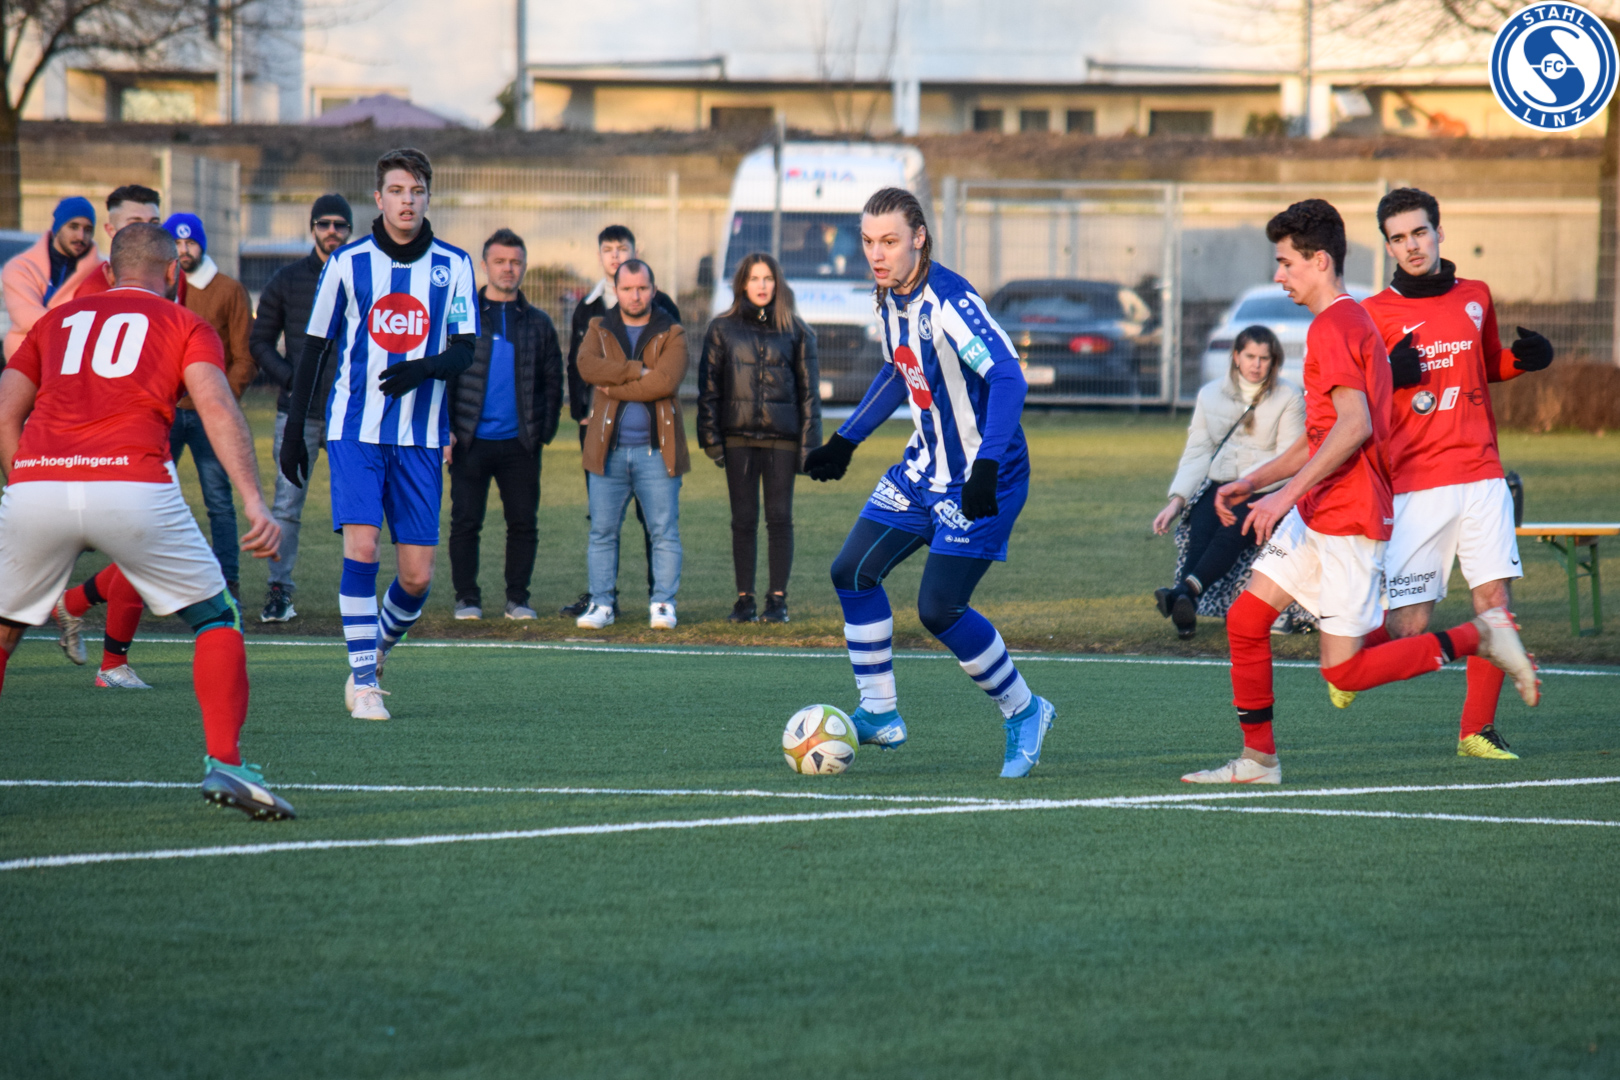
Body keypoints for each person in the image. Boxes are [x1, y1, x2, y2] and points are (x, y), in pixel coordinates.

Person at [1181, 199, 1539, 787]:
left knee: (1345, 673)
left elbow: (1354, 427)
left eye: (1286, 263)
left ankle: (1481, 634)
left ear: (1319, 261)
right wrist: (1254, 481)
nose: (1279, 275)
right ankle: (1259, 761)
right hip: (1319, 508)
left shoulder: (1336, 326)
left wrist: (1280, 497)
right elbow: (1324, 433)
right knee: (1246, 619)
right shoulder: (1353, 319)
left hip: (1347, 517)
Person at [0, 222, 294, 820]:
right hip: (131, 485)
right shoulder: (186, 323)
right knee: (216, 617)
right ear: (173, 272)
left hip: (38, 482)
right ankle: (227, 765)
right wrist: (254, 502)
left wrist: (23, 483)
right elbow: (217, 406)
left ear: (108, 271)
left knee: (4, 631)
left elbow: (6, 410)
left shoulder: (55, 322)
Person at [800, 187, 1056, 779]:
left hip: (982, 479)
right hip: (922, 471)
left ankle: (1025, 710)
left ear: (919, 238)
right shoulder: (890, 297)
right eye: (868, 241)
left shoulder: (949, 301)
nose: (877, 254)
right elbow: (900, 370)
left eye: (889, 241)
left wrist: (987, 464)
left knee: (939, 609)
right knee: (851, 571)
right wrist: (846, 440)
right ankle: (880, 711)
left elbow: (1009, 378)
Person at [1355, 187, 1555, 759]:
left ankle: (1476, 730)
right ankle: (1345, 662)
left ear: (1439, 232)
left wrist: (1523, 361)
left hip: (1482, 473)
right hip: (1417, 484)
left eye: (1420, 232)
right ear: (1389, 247)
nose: (1412, 246)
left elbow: (1485, 362)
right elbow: (1351, 401)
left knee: (1494, 604)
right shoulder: (1373, 313)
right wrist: (1387, 373)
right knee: (1408, 628)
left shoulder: (1476, 295)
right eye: (1398, 238)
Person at [280, 147, 478, 722]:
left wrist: (425, 368)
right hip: (354, 429)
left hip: (421, 437)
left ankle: (376, 649)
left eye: (416, 191)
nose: (406, 201)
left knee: (416, 578)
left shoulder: (454, 264)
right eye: (396, 190)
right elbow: (315, 349)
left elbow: (466, 349)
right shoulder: (348, 262)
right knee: (363, 546)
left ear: (428, 197)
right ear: (378, 198)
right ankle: (364, 682)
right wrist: (296, 431)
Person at [49, 185, 181, 689]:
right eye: (134, 223)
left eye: (154, 222)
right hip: (105, 445)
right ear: (110, 232)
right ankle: (111, 664)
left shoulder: (163, 278)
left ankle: (75, 606)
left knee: (148, 554)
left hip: (149, 436)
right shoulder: (90, 291)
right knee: (148, 553)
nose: (147, 232)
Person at [560, 224, 681, 618]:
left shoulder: (668, 320)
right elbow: (583, 365)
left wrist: (614, 386)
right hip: (604, 441)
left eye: (642, 288)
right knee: (602, 528)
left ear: (652, 287)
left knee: (660, 528)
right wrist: (634, 373)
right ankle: (602, 602)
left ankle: (660, 601)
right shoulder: (595, 319)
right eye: (628, 288)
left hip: (655, 445)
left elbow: (666, 380)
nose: (635, 295)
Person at [1151, 325, 1303, 639]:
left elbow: (1288, 457)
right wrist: (1177, 502)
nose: (1256, 364)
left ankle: (1184, 596)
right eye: (1250, 356)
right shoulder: (1209, 394)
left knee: (1232, 529)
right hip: (1219, 483)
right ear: (1236, 357)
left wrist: (1245, 485)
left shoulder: (1289, 395)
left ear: (1274, 361)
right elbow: (1198, 451)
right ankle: (1185, 601)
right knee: (1200, 525)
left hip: (1264, 487)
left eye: (1264, 358)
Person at [697, 253, 821, 624]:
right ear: (742, 284)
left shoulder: (798, 331)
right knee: (743, 520)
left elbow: (809, 396)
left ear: (777, 283)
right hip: (738, 440)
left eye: (768, 278)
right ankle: (744, 600)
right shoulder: (722, 329)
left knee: (780, 519)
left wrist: (809, 449)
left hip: (782, 440)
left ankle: (777, 601)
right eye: (754, 278)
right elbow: (709, 389)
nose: (762, 285)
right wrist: (711, 438)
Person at [447, 228, 563, 620]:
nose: (508, 268)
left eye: (515, 262)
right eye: (500, 261)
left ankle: (518, 599)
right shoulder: (461, 317)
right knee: (465, 522)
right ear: (484, 265)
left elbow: (552, 382)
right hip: (469, 442)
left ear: (524, 266)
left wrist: (541, 434)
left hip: (520, 444)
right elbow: (445, 377)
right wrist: (447, 430)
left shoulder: (538, 323)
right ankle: (467, 598)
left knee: (523, 523)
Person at [251, 193, 353, 623]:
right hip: (298, 413)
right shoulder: (288, 279)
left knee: (360, 510)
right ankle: (279, 591)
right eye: (324, 223)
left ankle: (360, 597)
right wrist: (292, 377)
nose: (332, 231)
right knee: (286, 507)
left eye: (339, 225)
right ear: (312, 228)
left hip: (352, 414)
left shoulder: (363, 278)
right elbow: (259, 340)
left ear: (350, 230)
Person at [165, 212, 256, 598]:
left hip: (207, 415)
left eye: (190, 242)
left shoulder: (229, 290)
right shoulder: (161, 290)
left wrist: (220, 400)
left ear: (202, 244)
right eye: (176, 243)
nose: (184, 250)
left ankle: (227, 582)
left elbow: (244, 356)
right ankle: (153, 583)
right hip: (164, 413)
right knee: (150, 498)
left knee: (218, 500)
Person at [2, 196, 105, 360]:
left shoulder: (102, 273)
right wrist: (76, 325)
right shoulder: (21, 267)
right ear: (57, 227)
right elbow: (25, 317)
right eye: (73, 227)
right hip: (25, 359)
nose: (81, 236)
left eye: (87, 229)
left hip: (74, 360)